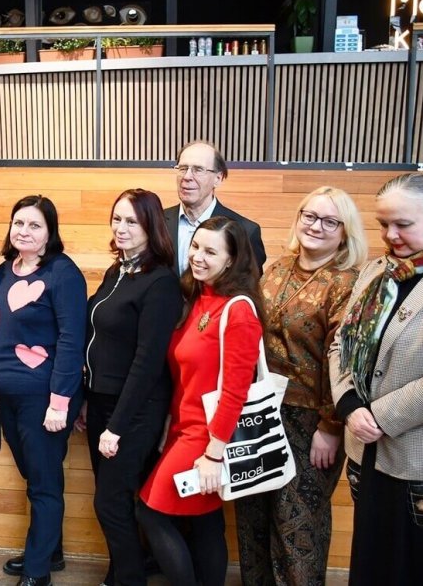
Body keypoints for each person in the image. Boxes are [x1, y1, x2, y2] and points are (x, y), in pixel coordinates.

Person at [235, 186, 366, 586]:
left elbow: (346, 363)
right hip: (262, 408)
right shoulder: (277, 268)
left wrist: (331, 427)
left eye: (329, 221)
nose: (316, 226)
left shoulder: (348, 284)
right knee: (253, 516)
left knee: (297, 525)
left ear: (344, 232)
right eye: (309, 216)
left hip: (312, 421)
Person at [137, 215, 264, 586]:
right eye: (195, 246)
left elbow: (236, 391)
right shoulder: (198, 298)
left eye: (211, 252)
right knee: (206, 520)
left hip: (207, 436)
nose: (198, 256)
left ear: (231, 260)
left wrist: (214, 453)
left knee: (150, 512)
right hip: (182, 428)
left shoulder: (237, 309)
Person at [78, 189, 182, 586]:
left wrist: (117, 427)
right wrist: (88, 399)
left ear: (151, 227)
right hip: (101, 401)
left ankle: (130, 577)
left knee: (110, 503)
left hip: (135, 409)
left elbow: (147, 361)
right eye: (116, 219)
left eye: (131, 222)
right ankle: (120, 572)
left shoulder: (161, 282)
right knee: (115, 501)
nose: (121, 228)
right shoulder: (117, 271)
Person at [0, 196, 87, 586]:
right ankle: (49, 548)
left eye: (34, 225)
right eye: (19, 223)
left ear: (49, 232)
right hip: (6, 394)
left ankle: (38, 572)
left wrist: (60, 403)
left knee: (43, 483)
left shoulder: (63, 274)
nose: (24, 231)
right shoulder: (4, 270)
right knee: (34, 474)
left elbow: (72, 341)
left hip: (43, 397)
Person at [329, 172, 423, 585]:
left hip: (412, 458)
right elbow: (341, 343)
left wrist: (381, 416)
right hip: (364, 449)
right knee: (370, 561)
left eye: (403, 224)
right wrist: (349, 405)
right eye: (384, 224)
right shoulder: (377, 271)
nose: (390, 235)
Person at [164, 140, 266, 275]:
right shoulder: (156, 222)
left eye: (198, 170)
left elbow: (248, 284)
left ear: (218, 178)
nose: (187, 177)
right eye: (182, 169)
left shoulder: (246, 231)